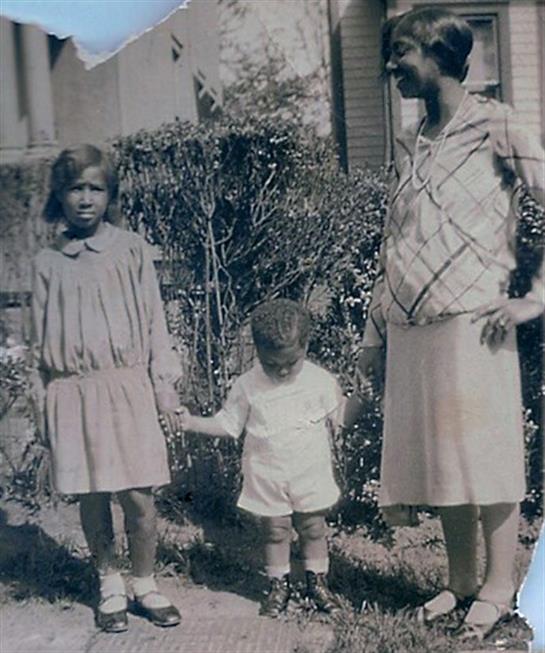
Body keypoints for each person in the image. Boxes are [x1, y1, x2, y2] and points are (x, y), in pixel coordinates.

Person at [354, 7, 544, 644]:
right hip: (412, 325)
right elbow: (393, 242)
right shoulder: (409, 141)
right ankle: (461, 580)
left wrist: (535, 297)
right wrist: (374, 335)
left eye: (402, 52)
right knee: (446, 461)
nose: (392, 66)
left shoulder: (498, 125)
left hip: (473, 322)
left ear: (440, 55)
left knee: (485, 457)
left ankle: (498, 587)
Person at [30, 144, 183, 633]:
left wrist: (164, 386)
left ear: (109, 195)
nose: (85, 199)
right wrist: (41, 405)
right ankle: (109, 580)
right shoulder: (48, 263)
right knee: (93, 494)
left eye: (95, 188)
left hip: (126, 386)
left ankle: (145, 581)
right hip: (72, 392)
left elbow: (155, 323)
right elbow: (38, 343)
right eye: (75, 188)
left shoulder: (131, 249)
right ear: (60, 196)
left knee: (138, 495)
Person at [177, 299, 344, 617]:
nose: (281, 370)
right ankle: (279, 585)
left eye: (291, 362)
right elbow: (228, 424)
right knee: (275, 531)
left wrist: (365, 399)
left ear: (305, 346)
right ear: (257, 351)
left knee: (313, 528)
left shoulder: (320, 381)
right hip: (268, 473)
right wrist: (191, 423)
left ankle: (317, 584)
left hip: (310, 473)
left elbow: (342, 416)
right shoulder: (248, 385)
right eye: (271, 364)